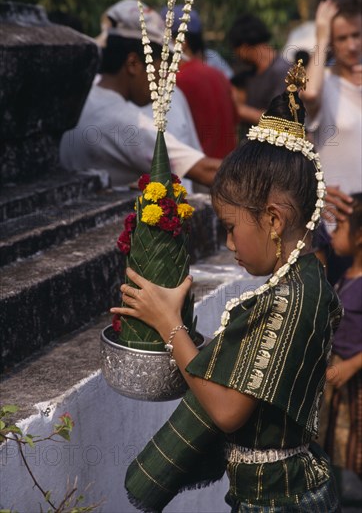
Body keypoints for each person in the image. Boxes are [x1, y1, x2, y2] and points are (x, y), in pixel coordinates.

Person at [111, 61, 343, 511]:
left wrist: (169, 326)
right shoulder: (306, 279)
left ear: (273, 220)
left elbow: (226, 410)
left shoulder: (286, 299)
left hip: (279, 499)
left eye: (232, 227)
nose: (229, 242)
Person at [59, 0, 221, 189]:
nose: (165, 78)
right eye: (162, 67)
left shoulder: (82, 96)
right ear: (134, 64)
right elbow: (205, 171)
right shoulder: (122, 121)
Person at [301, 0, 361, 284]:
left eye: (357, 34)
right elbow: (309, 92)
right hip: (340, 232)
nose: (352, 45)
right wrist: (321, 36)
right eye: (342, 38)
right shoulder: (325, 87)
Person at [318, 192, 362, 480]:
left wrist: (352, 364)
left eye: (341, 228)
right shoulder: (347, 274)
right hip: (340, 385)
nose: (333, 235)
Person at [162, 5, 238, 160]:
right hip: (226, 172)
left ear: (180, 42)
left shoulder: (175, 81)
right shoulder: (219, 76)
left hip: (196, 176)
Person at [228, 14, 291, 126]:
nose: (237, 56)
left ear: (244, 47)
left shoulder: (282, 71)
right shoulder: (251, 74)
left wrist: (238, 109)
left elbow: (278, 121)